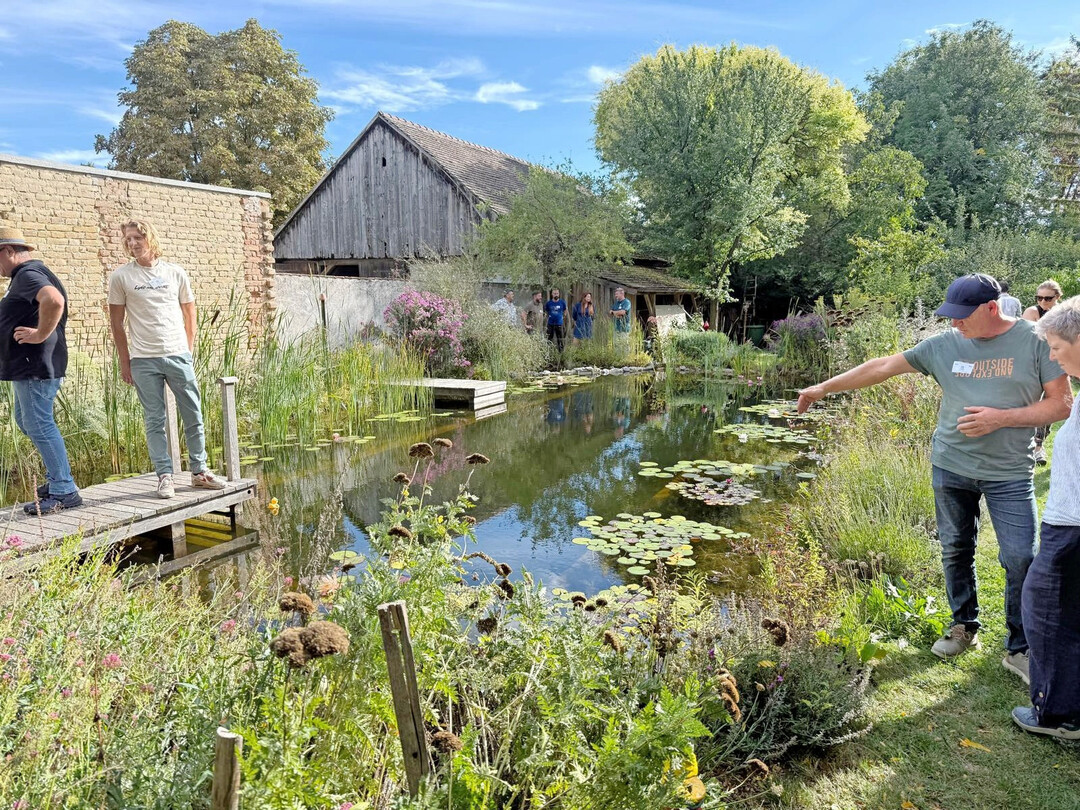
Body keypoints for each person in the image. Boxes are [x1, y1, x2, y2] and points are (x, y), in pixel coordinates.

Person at [797, 274, 1070, 677]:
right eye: (951, 316)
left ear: (991, 309)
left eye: (963, 316)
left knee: (1020, 558)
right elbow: (883, 367)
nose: (955, 323)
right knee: (955, 549)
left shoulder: (1034, 340)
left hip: (1009, 472)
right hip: (951, 465)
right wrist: (823, 387)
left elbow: (1061, 404)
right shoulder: (945, 344)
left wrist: (1002, 419)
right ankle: (965, 626)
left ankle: (1020, 646)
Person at [108, 220, 227, 499]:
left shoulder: (175, 273)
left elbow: (190, 313)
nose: (133, 243)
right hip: (143, 359)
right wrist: (125, 363)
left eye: (138, 237)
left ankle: (200, 472)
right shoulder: (121, 277)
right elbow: (116, 324)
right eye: (128, 239)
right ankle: (165, 476)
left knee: (193, 414)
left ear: (150, 237)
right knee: (154, 420)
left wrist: (187, 349)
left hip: (177, 355)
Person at [1012, 294, 1080, 739]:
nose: (1051, 355)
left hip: (1072, 525)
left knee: (1046, 612)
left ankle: (1057, 715)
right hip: (1068, 519)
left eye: (1056, 346)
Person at [0, 226, 82, 514]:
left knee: (39, 423)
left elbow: (53, 301)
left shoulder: (27, 275)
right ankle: (59, 480)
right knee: (27, 420)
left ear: (9, 251)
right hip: (30, 366)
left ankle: (64, 489)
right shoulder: (31, 274)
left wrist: (39, 334)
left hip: (33, 365)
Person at [1023, 279, 1064, 466]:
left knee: (1052, 402)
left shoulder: (1064, 314)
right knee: (1034, 401)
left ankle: (1039, 444)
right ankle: (1033, 445)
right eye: (1039, 298)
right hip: (1033, 362)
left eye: (1047, 298)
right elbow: (1027, 338)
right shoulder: (1032, 312)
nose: (1042, 302)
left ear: (1057, 297)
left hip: (1056, 362)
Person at [544, 288, 568, 352]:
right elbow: (546, 312)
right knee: (549, 340)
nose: (556, 295)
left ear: (559, 294)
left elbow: (565, 311)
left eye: (557, 293)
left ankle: (561, 354)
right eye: (554, 293)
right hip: (550, 324)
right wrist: (547, 317)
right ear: (552, 294)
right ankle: (548, 353)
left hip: (559, 324)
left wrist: (563, 317)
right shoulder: (548, 303)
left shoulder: (562, 302)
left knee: (560, 340)